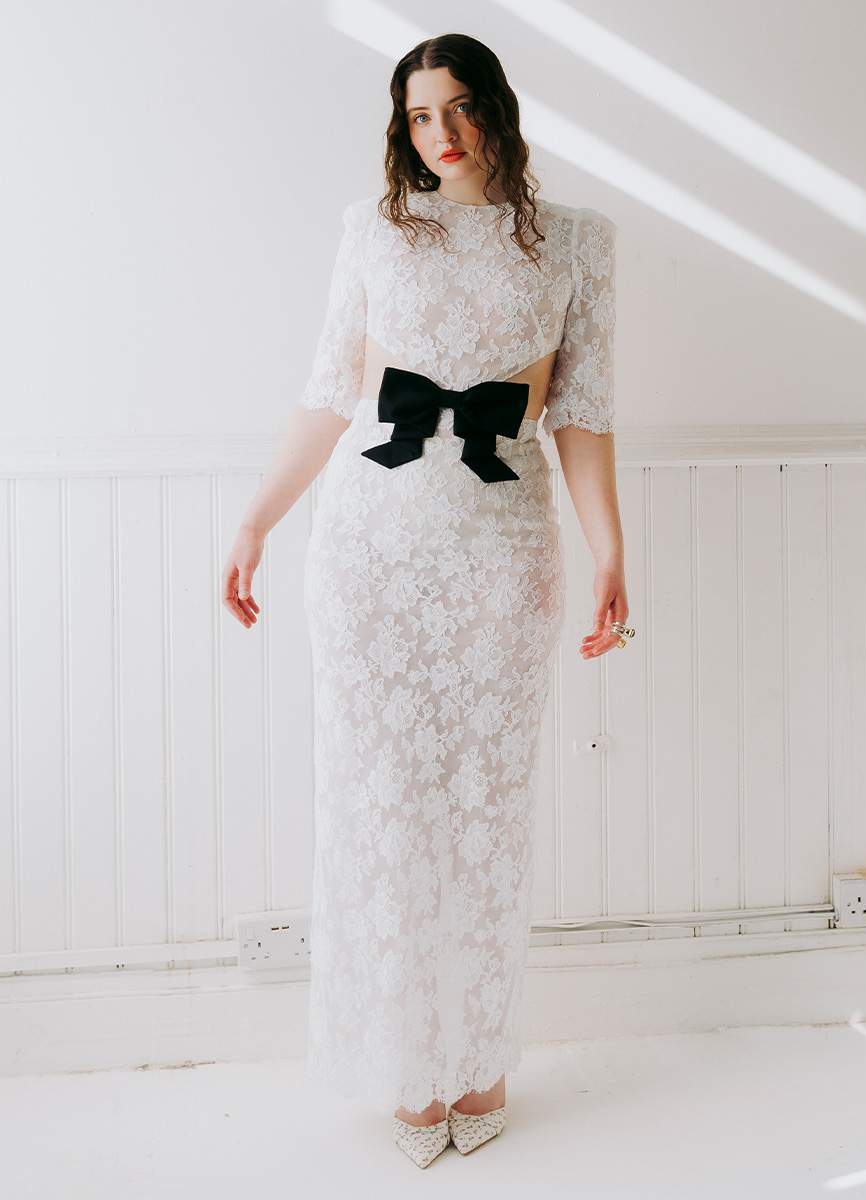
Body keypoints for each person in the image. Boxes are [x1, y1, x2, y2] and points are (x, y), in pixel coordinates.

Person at [221, 32, 633, 1169]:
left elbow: (582, 416)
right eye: (417, 117)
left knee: (486, 816)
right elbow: (326, 396)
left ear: (498, 110)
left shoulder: (579, 244)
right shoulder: (371, 230)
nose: (439, 136)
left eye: (458, 111)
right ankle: (410, 1070)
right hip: (369, 553)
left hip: (504, 552)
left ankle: (479, 1061)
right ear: (400, 127)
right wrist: (256, 519)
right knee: (387, 812)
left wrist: (610, 552)